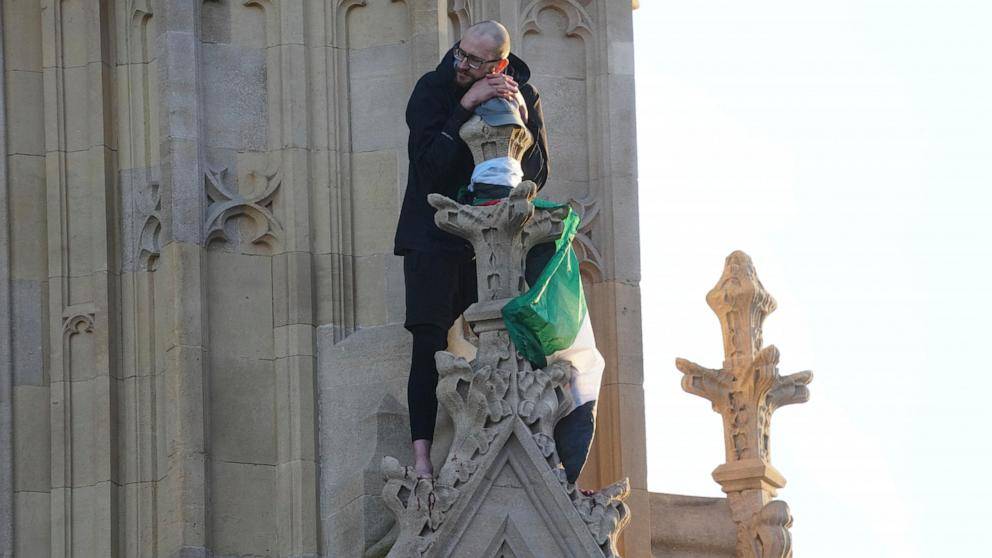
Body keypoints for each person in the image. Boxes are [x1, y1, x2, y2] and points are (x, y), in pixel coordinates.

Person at [394, 20, 549, 480]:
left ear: (498, 64)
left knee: (515, 330)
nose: (460, 64)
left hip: (498, 236)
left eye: (473, 62)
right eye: (459, 54)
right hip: (433, 233)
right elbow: (429, 170)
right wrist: (465, 105)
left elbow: (537, 174)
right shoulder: (433, 88)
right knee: (427, 341)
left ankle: (525, 447)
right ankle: (422, 458)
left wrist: (521, 118)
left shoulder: (523, 90)